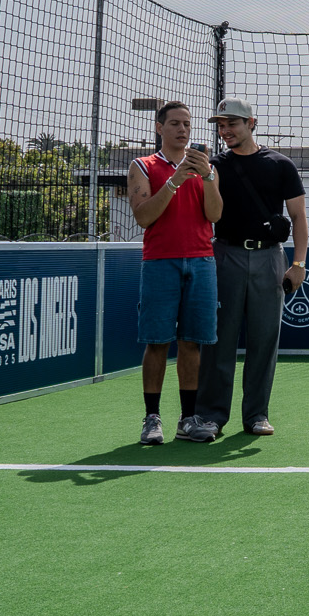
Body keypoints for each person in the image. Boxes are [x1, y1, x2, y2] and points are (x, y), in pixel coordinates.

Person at [202, 97, 308, 436]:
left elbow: (298, 216)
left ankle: (257, 415)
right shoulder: (214, 166)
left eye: (232, 123)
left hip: (269, 257)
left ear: (251, 123)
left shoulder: (281, 164)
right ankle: (211, 416)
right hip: (224, 254)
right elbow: (208, 213)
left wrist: (299, 263)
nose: (225, 130)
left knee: (264, 340)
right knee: (219, 341)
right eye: (221, 125)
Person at [129, 101, 224, 445]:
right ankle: (152, 418)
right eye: (174, 124)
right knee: (156, 343)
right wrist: (174, 181)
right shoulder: (142, 166)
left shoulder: (207, 169)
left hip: (201, 261)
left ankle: (188, 419)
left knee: (191, 343)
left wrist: (207, 177)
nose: (182, 130)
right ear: (159, 128)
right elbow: (144, 217)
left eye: (186, 124)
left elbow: (214, 215)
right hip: (160, 262)